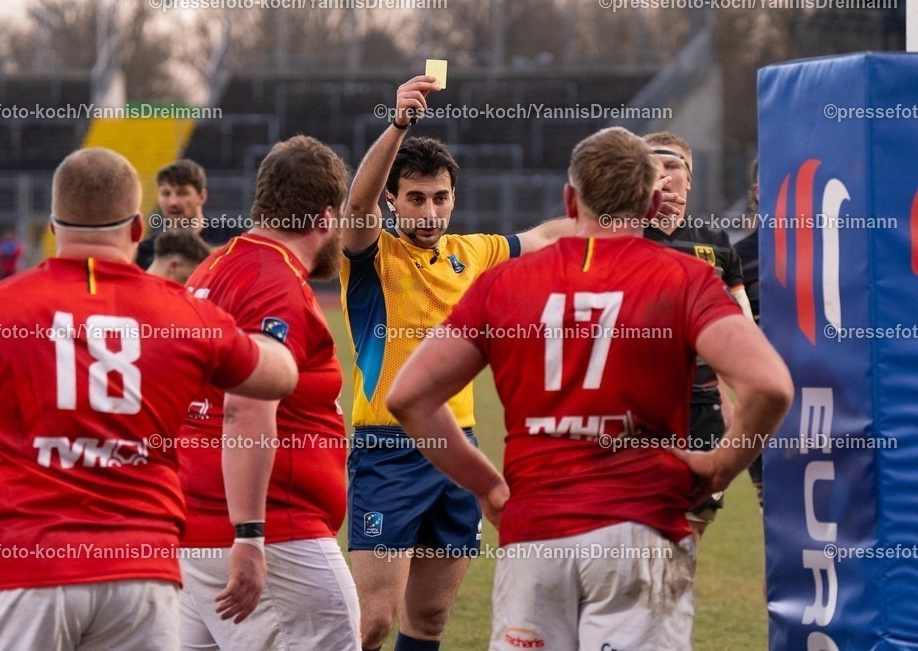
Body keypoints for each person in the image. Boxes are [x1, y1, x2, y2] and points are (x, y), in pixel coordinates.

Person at [386, 126, 794, 651]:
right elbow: (769, 385)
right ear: (652, 202)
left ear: (569, 199)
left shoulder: (504, 283)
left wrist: (486, 484)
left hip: (535, 535)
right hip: (642, 533)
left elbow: (409, 397)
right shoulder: (685, 277)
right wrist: (718, 467)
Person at [339, 75, 679, 651]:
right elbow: (356, 202)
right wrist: (398, 125)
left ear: (453, 198)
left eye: (440, 197)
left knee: (429, 619)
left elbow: (552, 233)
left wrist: (629, 204)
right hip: (386, 451)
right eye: (415, 198)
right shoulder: (371, 252)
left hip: (458, 449)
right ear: (394, 201)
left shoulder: (474, 253)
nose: (429, 210)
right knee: (372, 621)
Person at [0, 147, 298, 651]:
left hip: (24, 565)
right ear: (140, 229)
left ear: (52, 228)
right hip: (142, 574)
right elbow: (279, 378)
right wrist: (272, 326)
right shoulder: (186, 313)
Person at [179, 135, 360, 650]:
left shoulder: (212, 267)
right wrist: (249, 533)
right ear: (327, 218)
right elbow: (246, 403)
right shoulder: (273, 283)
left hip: (200, 530)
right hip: (274, 536)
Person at [642, 130, 752, 545]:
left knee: (685, 540)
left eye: (672, 166)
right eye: (651, 167)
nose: (664, 176)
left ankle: (666, 608)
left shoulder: (718, 245)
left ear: (690, 177)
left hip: (703, 408)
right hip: (637, 407)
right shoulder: (618, 237)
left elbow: (742, 329)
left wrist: (734, 399)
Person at [136, 158, 230, 269]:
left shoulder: (231, 240)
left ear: (202, 196)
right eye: (166, 193)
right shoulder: (146, 252)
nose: (173, 202)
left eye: (182, 193)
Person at [734, 157, 763, 506]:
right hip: (765, 412)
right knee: (778, 528)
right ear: (756, 191)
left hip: (834, 410)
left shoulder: (835, 252)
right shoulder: (736, 260)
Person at [146, 229, 212, 286]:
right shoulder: (173, 299)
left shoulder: (136, 288)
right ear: (173, 266)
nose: (189, 286)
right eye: (189, 278)